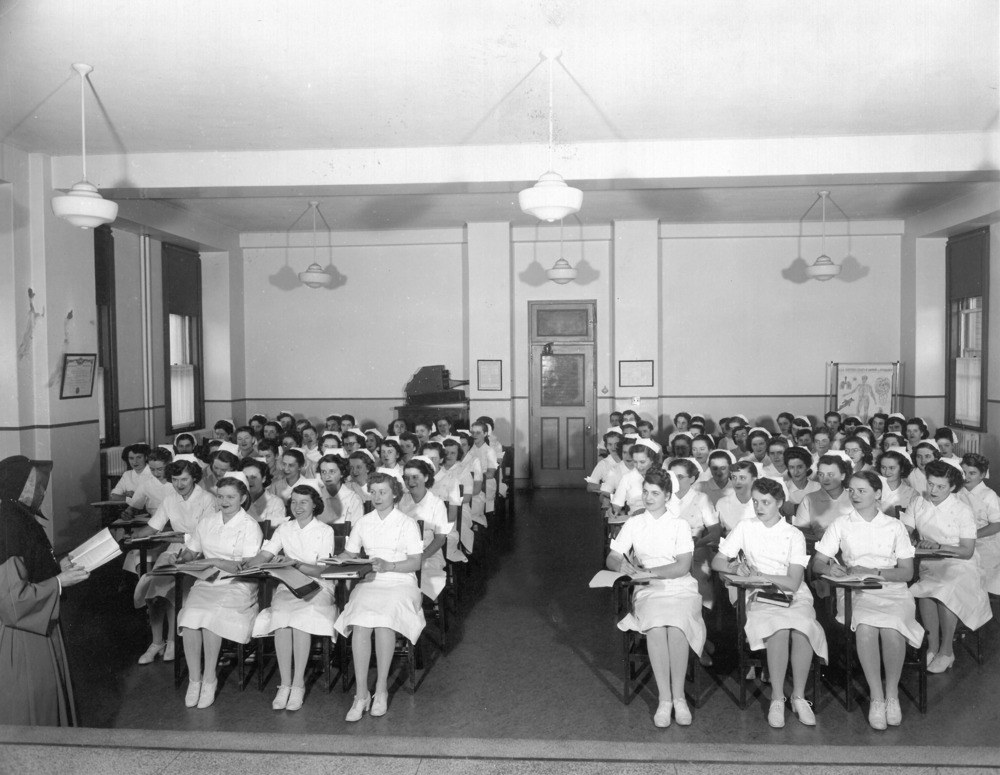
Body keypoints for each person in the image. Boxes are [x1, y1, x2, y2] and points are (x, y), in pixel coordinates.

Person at [712, 477, 828, 729]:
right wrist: (735, 567)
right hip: (758, 594)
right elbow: (717, 562)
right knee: (778, 629)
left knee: (803, 628)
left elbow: (793, 582)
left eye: (766, 502)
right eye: (755, 502)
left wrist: (760, 574)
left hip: (793, 595)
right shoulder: (745, 527)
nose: (759, 507)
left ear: (780, 503)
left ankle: (798, 696)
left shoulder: (793, 534)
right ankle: (777, 697)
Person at [812, 472, 922, 729]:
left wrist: (873, 572)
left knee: (893, 629)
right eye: (851, 490)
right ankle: (876, 696)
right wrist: (831, 570)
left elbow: (907, 572)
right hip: (855, 591)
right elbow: (818, 562)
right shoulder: (841, 523)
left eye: (862, 490)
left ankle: (892, 694)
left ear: (877, 494)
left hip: (892, 590)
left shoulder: (894, 526)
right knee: (865, 629)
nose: (854, 495)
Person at [607, 470, 705, 728]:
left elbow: (682, 566)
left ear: (667, 496)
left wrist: (648, 571)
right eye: (646, 492)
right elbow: (613, 555)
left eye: (655, 493)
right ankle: (664, 700)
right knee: (657, 626)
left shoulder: (679, 525)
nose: (648, 498)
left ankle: (680, 697)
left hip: (680, 587)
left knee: (676, 626)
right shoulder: (634, 523)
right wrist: (621, 567)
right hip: (647, 588)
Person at [0, 455, 90, 726]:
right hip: (23, 635)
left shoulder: (15, 515)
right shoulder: (9, 524)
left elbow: (29, 569)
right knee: (34, 706)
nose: (41, 492)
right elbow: (14, 602)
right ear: (18, 486)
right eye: (36, 485)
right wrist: (60, 582)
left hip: (38, 624)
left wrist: (56, 569)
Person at [334, 473, 425, 721]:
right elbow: (349, 554)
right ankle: (361, 694)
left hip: (400, 580)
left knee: (385, 621)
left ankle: (381, 689)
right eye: (372, 492)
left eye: (382, 492)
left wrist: (389, 566)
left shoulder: (407, 523)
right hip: (370, 581)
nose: (376, 497)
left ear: (395, 494)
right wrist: (330, 560)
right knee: (361, 623)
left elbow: (415, 563)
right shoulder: (364, 522)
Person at [175, 473, 264, 708]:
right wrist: (184, 556)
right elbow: (192, 551)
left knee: (210, 616)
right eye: (221, 496)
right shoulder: (207, 522)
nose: (224, 502)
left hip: (238, 584)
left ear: (243, 498)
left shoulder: (249, 526)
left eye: (231, 497)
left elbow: (246, 565)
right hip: (207, 581)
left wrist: (212, 561)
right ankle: (195, 679)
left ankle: (210, 677)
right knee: (190, 615)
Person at [248, 481, 336, 711]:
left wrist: (295, 563)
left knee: (301, 619)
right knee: (282, 618)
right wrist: (244, 564)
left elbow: (322, 570)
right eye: (294, 502)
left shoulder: (325, 530)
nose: (298, 507)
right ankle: (284, 684)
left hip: (318, 586)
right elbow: (265, 555)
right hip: (289, 585)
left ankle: (298, 684)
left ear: (315, 505)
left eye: (304, 502)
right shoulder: (284, 529)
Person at [903, 460, 992, 673]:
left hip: (961, 565)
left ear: (952, 487)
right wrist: (908, 538)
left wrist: (938, 545)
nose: (933, 490)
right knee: (924, 593)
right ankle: (932, 648)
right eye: (931, 484)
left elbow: (967, 550)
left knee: (944, 590)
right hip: (929, 562)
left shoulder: (962, 510)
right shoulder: (918, 502)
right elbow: (904, 529)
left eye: (940, 486)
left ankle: (946, 650)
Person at [132, 457, 218, 664]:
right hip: (174, 551)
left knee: (171, 590)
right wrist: (133, 537)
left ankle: (172, 641)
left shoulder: (207, 499)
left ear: (194, 478)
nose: (179, 485)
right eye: (175, 480)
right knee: (153, 590)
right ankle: (156, 642)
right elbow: (153, 527)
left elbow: (205, 535)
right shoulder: (170, 500)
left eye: (184, 480)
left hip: (200, 553)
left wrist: (177, 537)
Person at [398, 457, 450, 601]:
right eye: (406, 478)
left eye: (415, 477)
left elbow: (440, 539)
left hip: (429, 554)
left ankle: (413, 610)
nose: (410, 482)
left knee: (416, 578)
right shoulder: (400, 501)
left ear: (426, 477)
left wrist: (421, 557)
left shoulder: (436, 504)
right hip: (403, 552)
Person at [961, 453, 1000, 594]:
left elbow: (996, 525)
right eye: (963, 472)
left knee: (981, 580)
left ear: (982, 475)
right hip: (963, 540)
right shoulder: (958, 492)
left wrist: (972, 536)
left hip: (986, 543)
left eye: (972, 473)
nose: (967, 477)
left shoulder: (989, 495)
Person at [794, 454, 853, 540]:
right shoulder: (809, 499)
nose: (825, 479)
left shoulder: (855, 498)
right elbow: (801, 532)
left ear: (843, 476)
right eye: (821, 474)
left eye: (831, 475)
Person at [611, 441, 660, 516]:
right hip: (635, 519)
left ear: (652, 460)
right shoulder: (627, 477)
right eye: (635, 462)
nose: (638, 466)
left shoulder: (662, 476)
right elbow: (617, 503)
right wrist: (615, 510)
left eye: (642, 462)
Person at [316, 453, 365, 525]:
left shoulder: (353, 499)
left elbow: (356, 529)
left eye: (332, 472)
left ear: (342, 473)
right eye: (323, 472)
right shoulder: (316, 497)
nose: (327, 476)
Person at [240, 458, 287, 528]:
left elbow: (274, 531)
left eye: (253, 477)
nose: (249, 481)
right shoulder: (236, 499)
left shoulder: (276, 503)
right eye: (246, 477)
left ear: (263, 479)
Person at [714, 460, 757, 535]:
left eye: (742, 478)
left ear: (753, 480)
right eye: (734, 477)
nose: (737, 482)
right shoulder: (722, 503)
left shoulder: (764, 502)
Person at [878, 450, 916, 519]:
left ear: (902, 469)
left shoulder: (912, 493)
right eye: (883, 467)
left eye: (892, 468)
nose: (887, 472)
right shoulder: (872, 487)